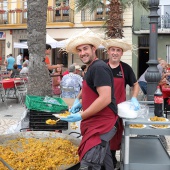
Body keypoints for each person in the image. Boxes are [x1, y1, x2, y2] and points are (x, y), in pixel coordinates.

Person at [61, 28, 118, 170]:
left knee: (89, 164)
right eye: (79, 50)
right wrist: (79, 101)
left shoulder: (98, 67)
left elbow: (105, 98)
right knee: (105, 162)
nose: (82, 53)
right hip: (95, 121)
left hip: (102, 123)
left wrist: (81, 115)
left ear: (94, 49)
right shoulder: (90, 68)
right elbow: (89, 89)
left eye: (85, 48)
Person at [102, 38, 140, 169]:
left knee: (114, 138)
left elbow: (135, 85)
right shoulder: (101, 66)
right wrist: (80, 99)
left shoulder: (126, 68)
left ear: (121, 53)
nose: (115, 53)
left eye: (118, 50)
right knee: (101, 137)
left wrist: (134, 98)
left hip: (118, 111)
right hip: (102, 109)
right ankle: (102, 160)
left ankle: (111, 160)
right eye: (113, 49)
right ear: (108, 52)